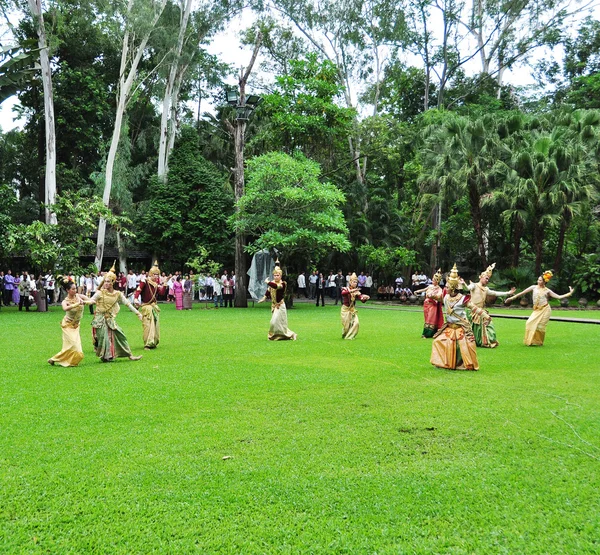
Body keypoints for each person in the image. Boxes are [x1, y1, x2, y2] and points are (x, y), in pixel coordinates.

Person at [89, 263, 143, 362]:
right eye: (105, 281)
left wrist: (138, 313)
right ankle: (106, 356)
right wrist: (83, 301)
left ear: (113, 282)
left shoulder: (117, 294)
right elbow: (91, 300)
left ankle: (130, 355)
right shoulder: (100, 293)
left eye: (108, 282)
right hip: (100, 320)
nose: (106, 283)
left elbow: (128, 304)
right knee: (104, 338)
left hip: (110, 319)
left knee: (121, 335)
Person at [430, 264, 479, 371]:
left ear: (452, 288)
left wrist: (485, 315)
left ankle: (462, 364)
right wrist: (431, 294)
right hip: (449, 328)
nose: (445, 288)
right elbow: (438, 298)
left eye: (447, 287)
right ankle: (444, 362)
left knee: (463, 346)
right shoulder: (446, 297)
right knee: (437, 341)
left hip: (461, 328)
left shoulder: (462, 299)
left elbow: (473, 307)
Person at [505, 271, 574, 346]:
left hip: (545, 309)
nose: (538, 281)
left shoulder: (547, 290)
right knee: (529, 323)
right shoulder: (533, 287)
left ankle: (538, 342)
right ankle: (530, 341)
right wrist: (511, 298)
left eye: (540, 280)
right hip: (537, 309)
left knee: (540, 326)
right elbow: (522, 293)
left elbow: (558, 296)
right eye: (538, 280)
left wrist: (569, 293)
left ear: (544, 281)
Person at [466, 263, 515, 348]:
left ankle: (488, 340)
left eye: (488, 279)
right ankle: (477, 341)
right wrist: (464, 284)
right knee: (474, 328)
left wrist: (508, 293)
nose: (487, 280)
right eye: (486, 278)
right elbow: (468, 288)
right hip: (473, 310)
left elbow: (496, 293)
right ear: (481, 277)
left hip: (481, 311)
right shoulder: (474, 285)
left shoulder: (486, 289)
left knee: (489, 325)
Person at [48, 280, 92, 367]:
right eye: (73, 289)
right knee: (73, 345)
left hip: (76, 325)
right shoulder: (65, 301)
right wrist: (76, 304)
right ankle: (56, 359)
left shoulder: (79, 297)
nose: (75, 290)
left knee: (77, 350)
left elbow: (92, 301)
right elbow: (65, 308)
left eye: (75, 288)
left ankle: (54, 359)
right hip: (67, 325)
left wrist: (85, 302)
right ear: (68, 290)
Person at [258, 266, 297, 340]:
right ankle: (278, 336)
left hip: (280, 305)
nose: (276, 277)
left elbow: (276, 287)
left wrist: (268, 282)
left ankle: (290, 334)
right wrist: (264, 298)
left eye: (277, 275)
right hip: (273, 306)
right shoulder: (272, 283)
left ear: (280, 276)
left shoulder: (283, 284)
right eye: (275, 275)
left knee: (274, 322)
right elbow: (269, 290)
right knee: (278, 324)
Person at [133, 261, 161, 349]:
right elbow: (138, 289)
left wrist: (165, 283)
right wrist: (136, 298)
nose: (157, 277)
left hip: (154, 306)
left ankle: (154, 342)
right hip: (146, 307)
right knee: (148, 325)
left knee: (155, 325)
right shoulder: (144, 281)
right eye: (155, 275)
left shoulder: (156, 285)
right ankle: (147, 344)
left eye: (158, 275)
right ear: (151, 274)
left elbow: (162, 292)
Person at [414, 269, 444, 338]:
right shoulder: (430, 286)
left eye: (434, 280)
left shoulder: (439, 289)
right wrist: (417, 291)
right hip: (426, 305)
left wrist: (433, 296)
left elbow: (439, 296)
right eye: (432, 279)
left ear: (437, 281)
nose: (432, 281)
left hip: (433, 305)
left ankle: (425, 334)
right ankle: (432, 333)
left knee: (430, 319)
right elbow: (424, 289)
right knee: (427, 318)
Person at [340, 272, 370, 339]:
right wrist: (351, 291)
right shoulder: (345, 289)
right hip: (345, 309)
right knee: (346, 326)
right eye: (354, 282)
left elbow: (362, 299)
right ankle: (345, 334)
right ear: (350, 282)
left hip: (352, 309)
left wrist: (366, 298)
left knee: (356, 323)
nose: (355, 283)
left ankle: (350, 336)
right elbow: (343, 294)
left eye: (356, 282)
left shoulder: (357, 291)